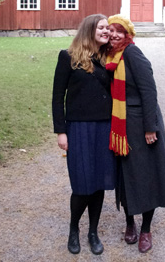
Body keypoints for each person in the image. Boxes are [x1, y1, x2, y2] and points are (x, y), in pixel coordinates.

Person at [105, 14, 165, 253]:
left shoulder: (133, 54)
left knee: (147, 176)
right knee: (126, 175)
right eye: (111, 30)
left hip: (140, 123)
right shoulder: (109, 56)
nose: (114, 34)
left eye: (119, 31)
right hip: (121, 124)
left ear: (128, 34)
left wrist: (150, 127)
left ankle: (145, 228)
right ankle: (129, 222)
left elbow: (149, 90)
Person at [51, 14, 115, 255]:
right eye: (102, 27)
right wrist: (61, 132)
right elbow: (58, 98)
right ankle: (74, 229)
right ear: (90, 29)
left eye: (108, 28)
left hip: (104, 127)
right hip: (78, 128)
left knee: (98, 183)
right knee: (81, 184)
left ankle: (93, 231)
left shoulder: (107, 59)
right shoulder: (67, 57)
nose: (106, 31)